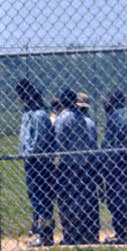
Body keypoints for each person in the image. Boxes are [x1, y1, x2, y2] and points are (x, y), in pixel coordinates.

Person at [53, 89, 98, 244]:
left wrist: (56, 163)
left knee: (66, 201)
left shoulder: (62, 118)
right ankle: (81, 234)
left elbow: (59, 142)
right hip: (82, 164)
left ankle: (70, 236)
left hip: (66, 165)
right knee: (80, 200)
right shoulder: (80, 118)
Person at [16, 79, 55, 247]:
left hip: (39, 163)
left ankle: (45, 235)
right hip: (31, 162)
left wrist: (29, 154)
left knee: (42, 198)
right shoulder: (28, 113)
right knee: (35, 197)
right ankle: (40, 231)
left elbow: (38, 142)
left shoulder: (39, 115)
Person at [101, 91, 127, 244]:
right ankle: (122, 233)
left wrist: (119, 152)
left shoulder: (119, 114)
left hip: (117, 165)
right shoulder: (117, 114)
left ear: (115, 101)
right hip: (115, 164)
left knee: (120, 199)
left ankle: (126, 234)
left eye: (108, 100)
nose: (105, 103)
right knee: (116, 199)